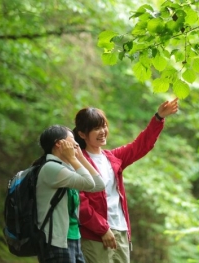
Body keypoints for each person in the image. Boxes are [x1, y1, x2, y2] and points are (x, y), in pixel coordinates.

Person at [73, 98, 179, 263]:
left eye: (104, 126)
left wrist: (158, 118)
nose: (102, 131)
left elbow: (141, 145)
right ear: (82, 134)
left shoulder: (113, 158)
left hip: (121, 230)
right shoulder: (78, 162)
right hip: (95, 235)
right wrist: (102, 229)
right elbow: (80, 203)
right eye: (96, 128)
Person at [34, 125, 106, 263]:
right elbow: (89, 183)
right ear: (59, 143)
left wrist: (80, 157)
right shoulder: (51, 168)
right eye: (72, 139)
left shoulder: (65, 167)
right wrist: (74, 159)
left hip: (73, 237)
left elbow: (99, 185)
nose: (76, 143)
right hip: (55, 240)